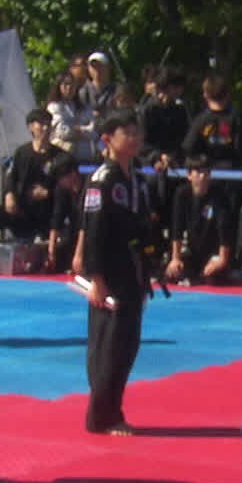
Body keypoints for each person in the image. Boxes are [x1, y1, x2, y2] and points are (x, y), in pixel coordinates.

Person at [82, 110, 155, 435]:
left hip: (133, 268)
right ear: (108, 139)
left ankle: (114, 409)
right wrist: (96, 279)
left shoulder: (137, 179)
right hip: (110, 270)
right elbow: (94, 230)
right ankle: (101, 416)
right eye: (127, 132)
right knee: (109, 344)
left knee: (126, 344)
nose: (135, 138)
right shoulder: (103, 180)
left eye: (137, 132)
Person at [0, 108, 62, 266]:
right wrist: (9, 195)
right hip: (20, 210)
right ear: (31, 127)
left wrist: (49, 193)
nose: (45, 128)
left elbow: (67, 188)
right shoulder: (22, 152)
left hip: (45, 215)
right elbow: (11, 179)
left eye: (48, 124)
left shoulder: (60, 156)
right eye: (41, 124)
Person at [166, 155, 237, 285]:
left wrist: (221, 260)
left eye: (206, 172)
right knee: (172, 274)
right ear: (189, 175)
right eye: (198, 172)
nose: (203, 176)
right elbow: (177, 228)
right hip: (192, 249)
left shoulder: (219, 195)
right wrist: (175, 258)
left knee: (215, 277)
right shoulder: (182, 194)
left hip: (213, 250)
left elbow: (225, 230)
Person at [184, 74, 242, 167]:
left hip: (205, 173)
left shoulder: (201, 120)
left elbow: (189, 147)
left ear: (206, 95)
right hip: (231, 171)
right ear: (227, 94)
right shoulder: (236, 118)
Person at [44, 156, 83, 274]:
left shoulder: (89, 188)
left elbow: (87, 225)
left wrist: (78, 254)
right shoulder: (61, 190)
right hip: (73, 234)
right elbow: (57, 219)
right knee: (56, 259)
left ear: (73, 174)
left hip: (91, 236)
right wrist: (51, 251)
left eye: (61, 178)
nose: (59, 182)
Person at [46, 71, 96, 160]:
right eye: (65, 84)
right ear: (59, 86)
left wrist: (78, 129)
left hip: (84, 155)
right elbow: (62, 131)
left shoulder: (84, 108)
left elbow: (94, 130)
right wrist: (82, 129)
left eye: (72, 84)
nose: (69, 88)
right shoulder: (54, 107)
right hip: (63, 155)